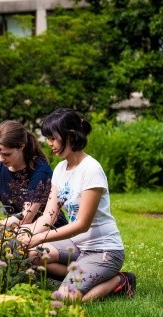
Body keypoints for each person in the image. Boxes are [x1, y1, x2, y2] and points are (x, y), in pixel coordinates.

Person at [22, 108, 136, 301]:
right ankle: (81, 276)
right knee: (32, 255)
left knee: (67, 300)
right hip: (77, 246)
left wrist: (40, 237)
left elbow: (82, 224)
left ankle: (120, 280)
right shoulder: (60, 169)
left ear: (71, 136)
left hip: (103, 250)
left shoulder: (91, 170)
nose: (49, 144)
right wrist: (27, 233)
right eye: (47, 138)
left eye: (53, 138)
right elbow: (49, 214)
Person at [0, 120, 68, 228]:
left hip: (48, 231)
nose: (0, 159)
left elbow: (26, 217)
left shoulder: (40, 170)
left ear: (21, 147)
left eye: (7, 154)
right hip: (15, 232)